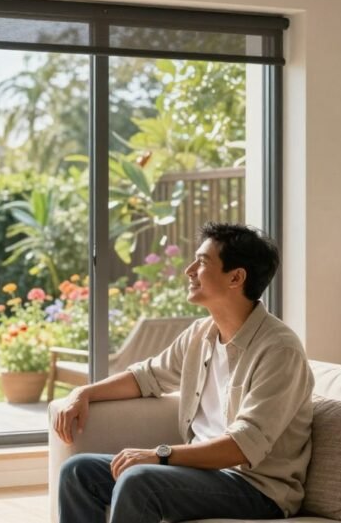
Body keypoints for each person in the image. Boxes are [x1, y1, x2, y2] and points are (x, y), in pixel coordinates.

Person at [54, 222, 312, 522]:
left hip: (258, 489)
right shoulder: (200, 334)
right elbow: (146, 377)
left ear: (236, 277)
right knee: (77, 472)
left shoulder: (280, 350)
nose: (189, 270)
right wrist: (83, 392)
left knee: (139, 482)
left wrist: (159, 454)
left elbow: (243, 446)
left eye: (202, 262)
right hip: (200, 474)